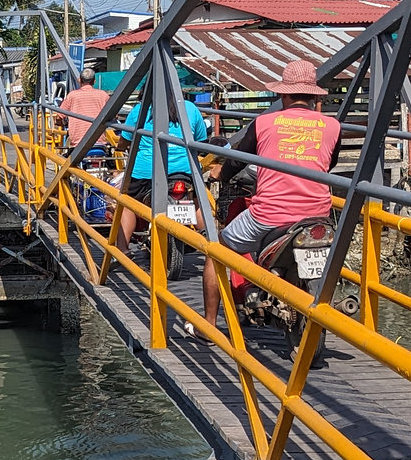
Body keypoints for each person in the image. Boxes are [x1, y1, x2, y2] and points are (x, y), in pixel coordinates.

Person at [202, 60, 340, 322]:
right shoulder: (332, 126)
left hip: (269, 217)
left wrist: (222, 174)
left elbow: (237, 160)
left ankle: (206, 325)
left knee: (216, 250)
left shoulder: (264, 122)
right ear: (313, 95)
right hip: (318, 214)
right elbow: (329, 163)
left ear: (282, 93)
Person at [110, 91, 210, 255]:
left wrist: (120, 147)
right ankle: (211, 245)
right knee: (196, 201)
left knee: (127, 203)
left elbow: (125, 140)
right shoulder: (190, 108)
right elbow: (200, 140)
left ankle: (122, 249)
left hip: (147, 172)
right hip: (185, 170)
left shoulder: (141, 110)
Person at [61, 68, 111, 151]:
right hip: (99, 141)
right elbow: (114, 115)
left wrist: (61, 123)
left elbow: (60, 115)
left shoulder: (72, 96)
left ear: (79, 80)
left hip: (77, 143)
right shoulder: (103, 95)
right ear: (94, 81)